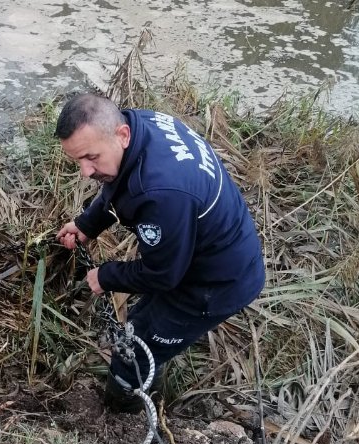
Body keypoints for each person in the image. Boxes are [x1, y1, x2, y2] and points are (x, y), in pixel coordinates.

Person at [55, 93, 265, 413]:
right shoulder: (138, 126)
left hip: (216, 283)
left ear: (121, 135)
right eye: (77, 161)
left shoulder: (161, 192)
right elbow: (119, 184)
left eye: (91, 157)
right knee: (142, 324)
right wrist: (87, 224)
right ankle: (150, 381)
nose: (85, 171)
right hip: (196, 249)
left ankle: (123, 414)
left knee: (138, 351)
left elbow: (163, 275)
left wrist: (106, 276)